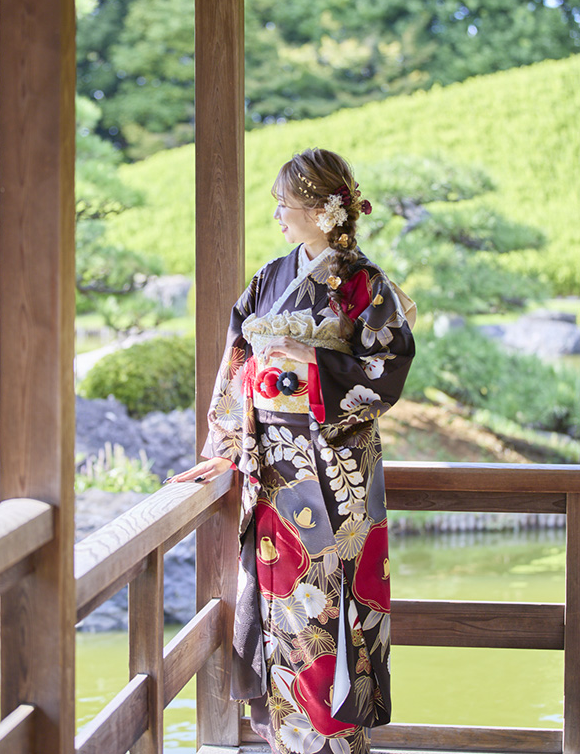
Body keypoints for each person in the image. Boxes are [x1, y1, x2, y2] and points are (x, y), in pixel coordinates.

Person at [168, 148, 416, 754]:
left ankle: (337, 741)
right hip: (274, 469)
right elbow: (238, 363)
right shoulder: (269, 278)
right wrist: (227, 448)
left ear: (322, 209)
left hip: (337, 466)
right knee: (283, 604)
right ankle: (289, 741)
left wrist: (316, 360)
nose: (278, 214)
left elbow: (387, 369)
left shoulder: (364, 284)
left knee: (332, 603)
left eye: (285, 203)